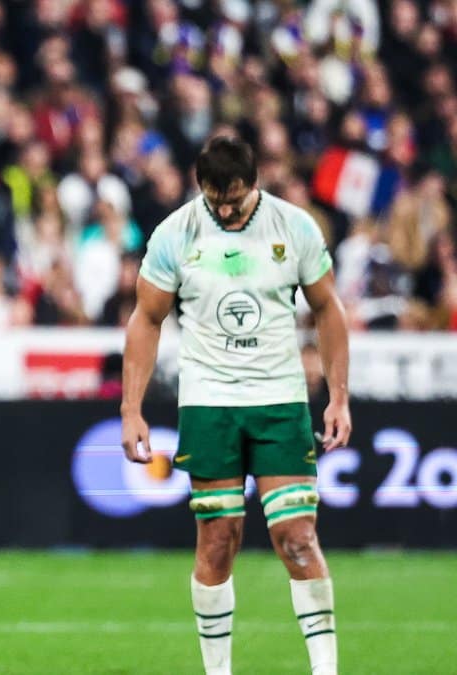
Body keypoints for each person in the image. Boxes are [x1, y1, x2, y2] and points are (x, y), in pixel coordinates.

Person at [121, 136, 351, 675]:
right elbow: (146, 319)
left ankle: (326, 670)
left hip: (278, 401)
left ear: (256, 184)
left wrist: (338, 396)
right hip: (209, 405)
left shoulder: (294, 228)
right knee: (219, 540)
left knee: (296, 536)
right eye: (214, 199)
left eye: (236, 200)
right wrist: (131, 408)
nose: (224, 210)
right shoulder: (176, 233)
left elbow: (329, 310)